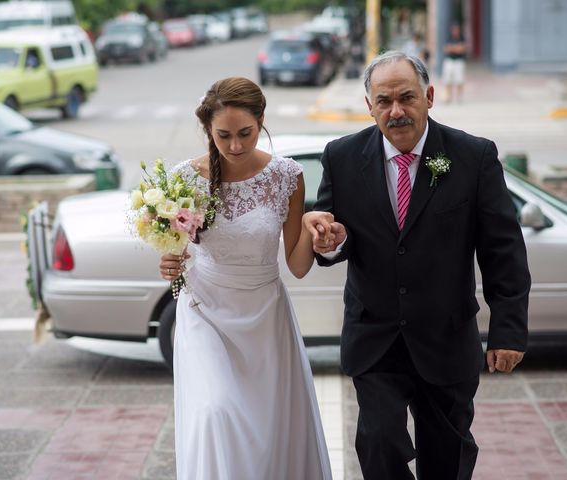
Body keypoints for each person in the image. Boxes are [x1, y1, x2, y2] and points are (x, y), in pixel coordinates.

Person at [303, 51, 530, 479]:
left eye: (407, 98)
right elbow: (333, 237)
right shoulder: (341, 157)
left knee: (447, 456)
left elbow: (504, 250)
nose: (396, 111)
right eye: (384, 101)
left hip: (447, 337)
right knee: (380, 442)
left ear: (429, 96)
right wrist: (330, 242)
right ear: (368, 106)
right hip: (375, 337)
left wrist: (509, 329)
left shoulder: (473, 156)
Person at [158, 77, 333, 480]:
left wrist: (310, 227)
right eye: (223, 135)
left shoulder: (287, 176)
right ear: (208, 130)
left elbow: (299, 266)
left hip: (264, 318)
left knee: (268, 434)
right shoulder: (183, 179)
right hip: (205, 313)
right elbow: (176, 251)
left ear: (262, 121)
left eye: (245, 134)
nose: (235, 146)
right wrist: (169, 261)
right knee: (214, 412)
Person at [442, 23, 467, 103]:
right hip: (449, 61)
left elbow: (462, 49)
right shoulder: (449, 38)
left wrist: (452, 48)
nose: (455, 31)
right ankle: (448, 97)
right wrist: (456, 48)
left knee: (459, 80)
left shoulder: (462, 38)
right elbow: (446, 49)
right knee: (447, 80)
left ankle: (459, 97)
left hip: (459, 61)